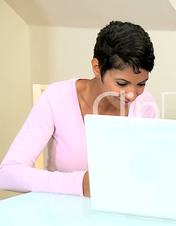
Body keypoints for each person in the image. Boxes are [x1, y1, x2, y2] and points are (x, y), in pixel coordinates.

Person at [0, 21, 158, 197]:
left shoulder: (145, 103)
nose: (131, 95)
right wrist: (79, 184)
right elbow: (8, 173)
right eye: (122, 83)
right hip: (60, 213)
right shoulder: (56, 98)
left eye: (141, 84)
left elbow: (148, 168)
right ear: (97, 68)